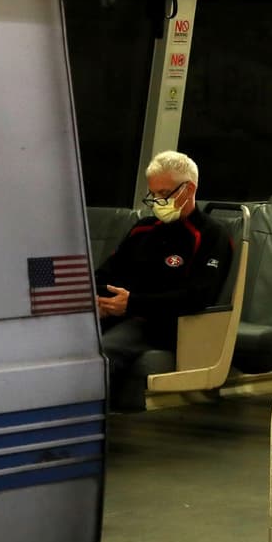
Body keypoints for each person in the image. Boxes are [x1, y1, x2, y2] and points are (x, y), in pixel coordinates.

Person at [95, 150, 233, 410]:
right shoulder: (143, 229)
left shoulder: (211, 235)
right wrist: (102, 300)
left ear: (188, 189)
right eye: (153, 194)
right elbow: (105, 274)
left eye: (164, 194)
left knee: (103, 353)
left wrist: (133, 304)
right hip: (125, 314)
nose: (157, 201)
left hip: (164, 324)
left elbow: (198, 296)